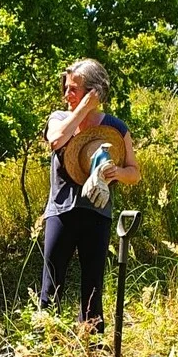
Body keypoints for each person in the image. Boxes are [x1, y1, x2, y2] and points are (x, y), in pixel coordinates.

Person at [41, 59, 141, 335]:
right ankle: (43, 345)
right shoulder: (59, 118)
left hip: (97, 214)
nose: (67, 94)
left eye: (73, 89)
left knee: (93, 290)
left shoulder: (115, 128)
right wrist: (82, 108)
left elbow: (134, 173)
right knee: (52, 286)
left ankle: (92, 349)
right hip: (61, 211)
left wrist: (116, 172)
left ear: (93, 91)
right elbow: (55, 140)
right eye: (66, 88)